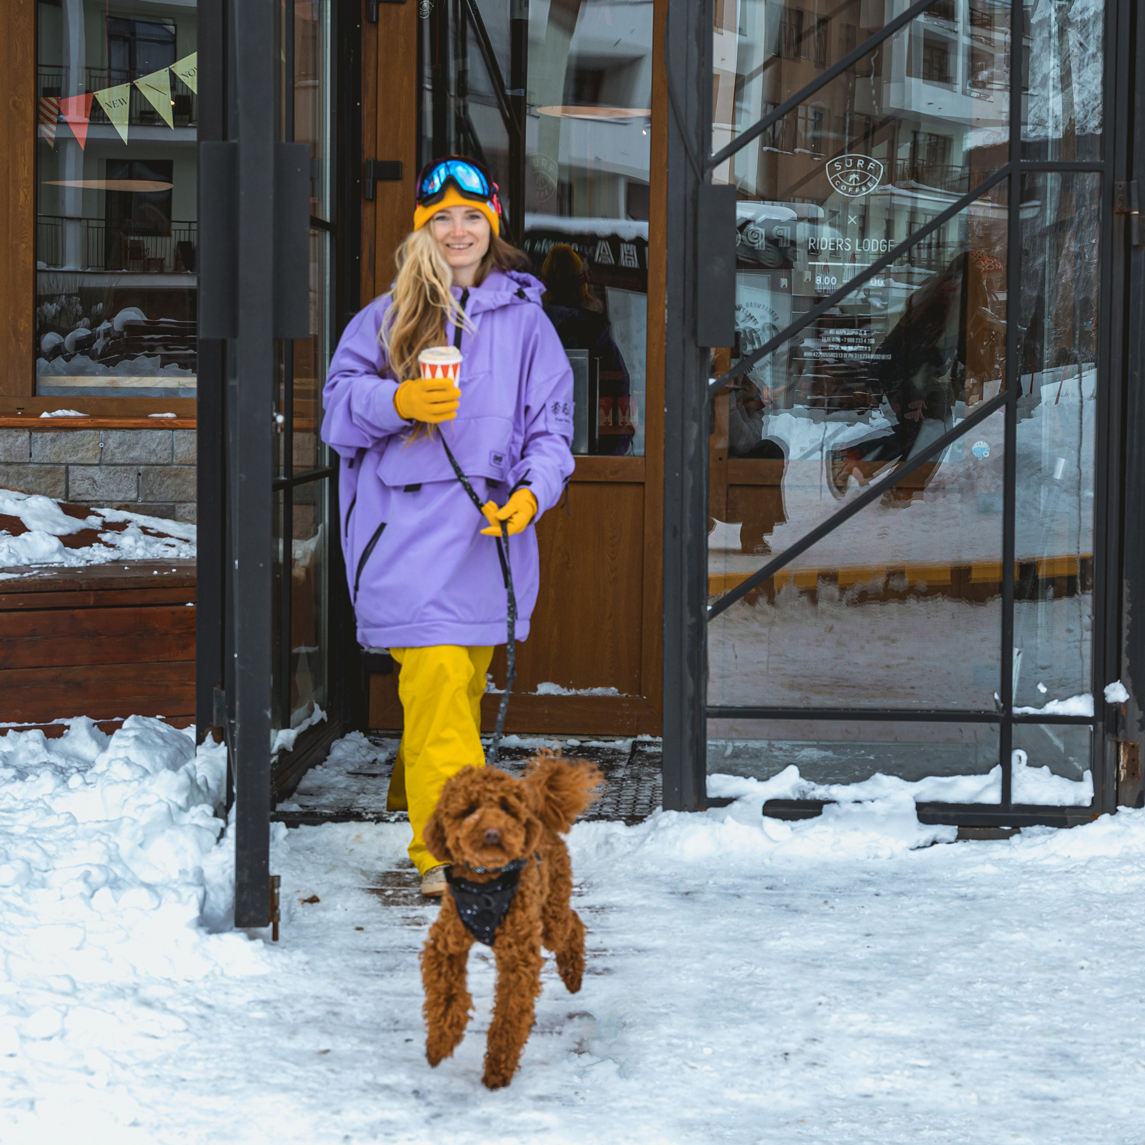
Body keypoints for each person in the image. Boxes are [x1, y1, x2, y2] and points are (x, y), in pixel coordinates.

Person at [321, 156, 575, 895]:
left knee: (456, 687)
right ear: (422, 230)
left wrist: (532, 495)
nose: (456, 230)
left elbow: (551, 431)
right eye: (441, 218)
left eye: (471, 217)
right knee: (434, 674)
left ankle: (420, 798)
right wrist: (397, 403)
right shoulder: (387, 314)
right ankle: (456, 853)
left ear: (491, 227)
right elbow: (338, 412)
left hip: (486, 537)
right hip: (403, 532)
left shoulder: (529, 325)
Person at [540, 244, 633, 454]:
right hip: (595, 461)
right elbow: (620, 399)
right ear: (583, 284)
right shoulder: (596, 334)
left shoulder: (528, 329)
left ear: (544, 284)